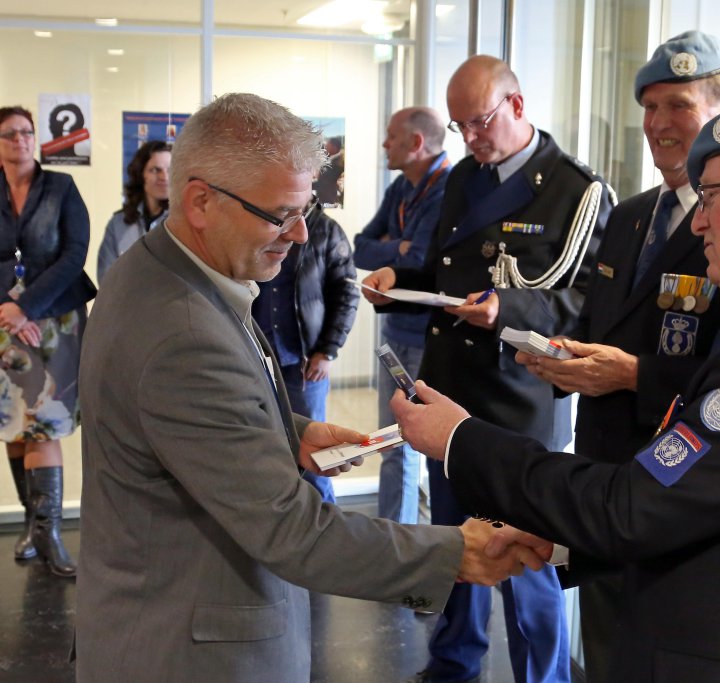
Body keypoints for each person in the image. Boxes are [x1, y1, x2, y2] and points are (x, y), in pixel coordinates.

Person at [393, 105, 720, 682]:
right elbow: (708, 501)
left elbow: (636, 507)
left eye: (712, 197)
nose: (698, 223)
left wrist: (461, 439)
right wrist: (560, 539)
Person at [74, 92, 543, 683]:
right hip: (191, 653)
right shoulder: (183, 331)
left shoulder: (162, 270)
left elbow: (181, 417)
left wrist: (285, 431)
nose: (299, 234)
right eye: (279, 214)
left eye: (306, 210)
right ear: (200, 202)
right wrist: (456, 552)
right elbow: (292, 530)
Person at [362, 56, 613, 683]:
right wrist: (399, 284)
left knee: (525, 556)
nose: (470, 138)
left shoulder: (576, 190)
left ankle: (542, 677)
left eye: (479, 122)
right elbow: (446, 274)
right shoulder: (463, 179)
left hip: (516, 399)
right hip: (452, 388)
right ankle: (455, 661)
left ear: (517, 106)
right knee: (455, 542)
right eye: (460, 126)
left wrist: (509, 310)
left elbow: (588, 302)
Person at [512, 30, 720, 681]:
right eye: (650, 107)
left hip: (679, 494)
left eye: (679, 105)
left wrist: (637, 375)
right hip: (603, 483)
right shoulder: (629, 215)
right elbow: (599, 323)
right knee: (606, 648)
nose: (660, 124)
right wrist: (562, 359)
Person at [0, 105, 96, 578]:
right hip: (3, 318)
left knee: (44, 422)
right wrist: (7, 308)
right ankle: (31, 526)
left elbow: (74, 253)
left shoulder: (60, 187)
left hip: (55, 317)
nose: (20, 140)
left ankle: (50, 534)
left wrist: (28, 308)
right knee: (13, 423)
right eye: (10, 134)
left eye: (27, 132)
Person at [353, 106, 450, 525]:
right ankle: (394, 537)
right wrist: (400, 247)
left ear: (416, 143)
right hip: (395, 333)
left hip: (432, 341)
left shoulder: (449, 188)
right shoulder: (401, 187)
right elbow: (360, 246)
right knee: (392, 443)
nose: (384, 144)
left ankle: (431, 543)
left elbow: (424, 261)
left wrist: (398, 249)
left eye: (391, 136)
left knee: (433, 450)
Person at [253, 202, 359, 504]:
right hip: (257, 357)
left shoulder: (326, 230)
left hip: (304, 363)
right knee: (266, 446)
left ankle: (326, 520)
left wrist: (327, 351)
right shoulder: (258, 222)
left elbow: (347, 293)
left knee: (316, 456)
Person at [97, 140, 172, 282]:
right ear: (140, 174)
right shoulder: (118, 224)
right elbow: (106, 280)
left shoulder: (186, 223)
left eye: (170, 170)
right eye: (155, 170)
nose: (164, 177)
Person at [313, 135, 344, 206]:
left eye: (327, 146)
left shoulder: (336, 164)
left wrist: (307, 186)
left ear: (334, 147)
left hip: (327, 200)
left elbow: (324, 183)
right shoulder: (331, 159)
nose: (325, 147)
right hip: (324, 198)